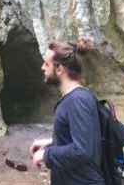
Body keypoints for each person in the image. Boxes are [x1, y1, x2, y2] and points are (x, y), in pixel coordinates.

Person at [30, 39, 105, 185]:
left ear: (59, 69)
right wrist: (52, 142)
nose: (42, 67)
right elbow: (85, 137)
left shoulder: (77, 101)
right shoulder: (75, 98)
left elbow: (82, 150)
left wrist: (45, 154)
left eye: (46, 64)